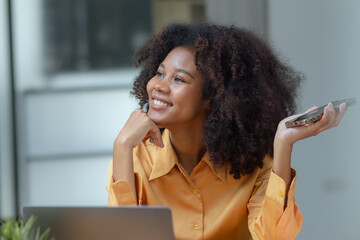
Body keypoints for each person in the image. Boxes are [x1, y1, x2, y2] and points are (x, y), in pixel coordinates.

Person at [106, 23, 346, 240]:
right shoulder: (135, 155)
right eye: (159, 73)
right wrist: (122, 145)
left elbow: (273, 236)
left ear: (213, 98)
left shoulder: (253, 163)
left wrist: (283, 144)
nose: (158, 85)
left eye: (178, 79)